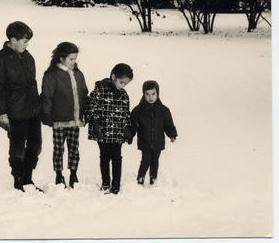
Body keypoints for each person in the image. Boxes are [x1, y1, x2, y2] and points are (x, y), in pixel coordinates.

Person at [0, 21, 42, 192]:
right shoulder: (0, 59)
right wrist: (2, 112)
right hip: (15, 112)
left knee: (35, 145)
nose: (27, 45)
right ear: (12, 40)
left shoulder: (28, 57)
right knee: (17, 147)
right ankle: (18, 179)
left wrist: (39, 106)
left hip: (33, 110)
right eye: (24, 41)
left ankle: (28, 178)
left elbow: (33, 84)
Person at [41, 42, 89, 189]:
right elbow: (47, 96)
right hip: (59, 120)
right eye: (71, 59)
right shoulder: (52, 76)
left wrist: (85, 113)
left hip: (75, 120)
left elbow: (84, 95)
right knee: (59, 149)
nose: (74, 62)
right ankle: (58, 174)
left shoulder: (79, 74)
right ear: (61, 58)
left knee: (74, 148)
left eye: (75, 59)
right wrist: (46, 114)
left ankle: (73, 173)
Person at [86, 63, 134, 195]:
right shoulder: (99, 91)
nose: (122, 86)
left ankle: (116, 184)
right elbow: (90, 108)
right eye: (121, 82)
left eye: (125, 84)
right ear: (113, 76)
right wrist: (95, 123)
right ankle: (106, 182)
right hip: (102, 131)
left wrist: (127, 128)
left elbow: (126, 114)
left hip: (117, 134)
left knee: (117, 157)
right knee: (105, 157)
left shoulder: (124, 95)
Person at [130, 80, 178, 186]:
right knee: (145, 160)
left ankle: (153, 178)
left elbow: (168, 124)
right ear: (143, 94)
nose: (150, 97)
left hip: (158, 142)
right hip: (144, 142)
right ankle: (140, 178)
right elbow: (132, 125)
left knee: (155, 161)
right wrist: (129, 136)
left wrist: (172, 134)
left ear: (158, 93)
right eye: (147, 94)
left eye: (153, 94)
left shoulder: (164, 110)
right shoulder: (138, 110)